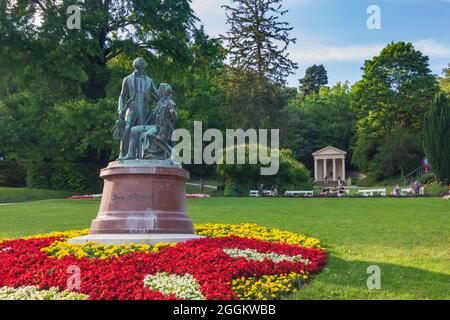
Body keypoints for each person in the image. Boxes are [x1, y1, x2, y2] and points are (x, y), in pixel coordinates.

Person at [117, 57, 159, 159]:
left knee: (141, 130)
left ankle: (140, 155)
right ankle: (123, 153)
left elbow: (157, 94)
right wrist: (120, 108)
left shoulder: (149, 80)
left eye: (143, 67)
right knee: (127, 128)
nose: (141, 69)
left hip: (145, 107)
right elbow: (122, 96)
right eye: (139, 67)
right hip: (132, 106)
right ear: (136, 67)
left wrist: (166, 99)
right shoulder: (127, 79)